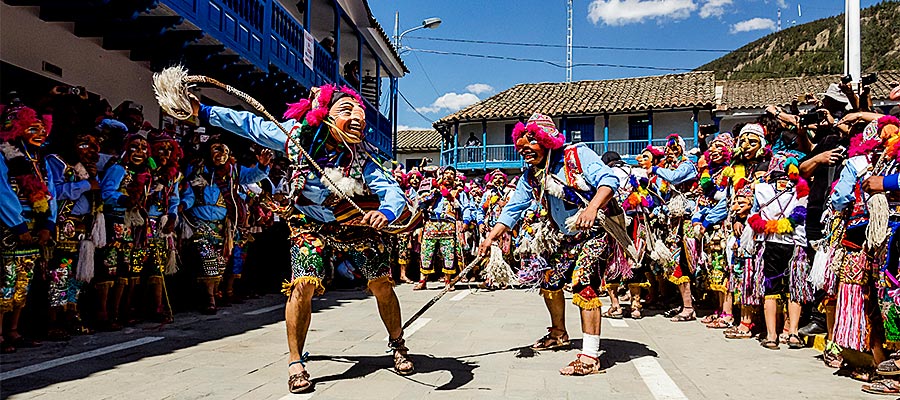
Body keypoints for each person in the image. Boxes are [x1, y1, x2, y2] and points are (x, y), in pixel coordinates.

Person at [186, 83, 413, 393]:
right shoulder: (298, 138)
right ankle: (296, 363)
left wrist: (385, 213)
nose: (358, 115)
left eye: (360, 110)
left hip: (352, 223)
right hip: (307, 221)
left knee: (380, 284)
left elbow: (391, 191)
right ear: (324, 114)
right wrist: (205, 112)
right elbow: (252, 125)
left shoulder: (363, 157)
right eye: (347, 109)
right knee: (302, 285)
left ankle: (397, 343)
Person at [479, 113, 619, 376]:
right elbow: (514, 207)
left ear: (546, 141)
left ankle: (590, 355)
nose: (524, 152)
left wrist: (591, 208)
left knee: (583, 283)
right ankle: (558, 333)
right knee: (549, 281)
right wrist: (491, 236)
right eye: (520, 148)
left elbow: (609, 181)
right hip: (564, 237)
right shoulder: (530, 175)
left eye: (530, 145)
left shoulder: (576, 155)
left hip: (596, 230)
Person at [181, 140, 270, 315]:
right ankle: (210, 299)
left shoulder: (233, 170)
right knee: (208, 260)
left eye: (225, 150)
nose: (221, 153)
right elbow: (188, 191)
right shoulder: (196, 168)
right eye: (217, 149)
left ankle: (214, 293)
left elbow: (252, 176)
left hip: (224, 225)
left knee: (221, 262)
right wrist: (184, 204)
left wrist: (262, 165)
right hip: (200, 222)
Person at [0, 105, 57, 353]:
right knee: (6, 280)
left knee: (24, 280)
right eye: (32, 129)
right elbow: (1, 192)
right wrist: (18, 225)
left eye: (42, 130)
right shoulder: (3, 155)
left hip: (34, 227)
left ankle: (14, 330)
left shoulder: (40, 161)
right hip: (8, 228)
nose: (39, 134)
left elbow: (50, 194)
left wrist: (47, 224)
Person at [46, 132, 103, 339]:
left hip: (82, 228)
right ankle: (54, 320)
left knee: (77, 276)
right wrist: (86, 185)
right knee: (59, 273)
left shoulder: (86, 168)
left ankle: (72, 313)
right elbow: (54, 192)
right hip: (63, 226)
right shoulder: (55, 162)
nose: (91, 150)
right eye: (84, 144)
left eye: (94, 145)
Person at [647, 134, 698, 322]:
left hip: (686, 221)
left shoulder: (687, 165)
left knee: (686, 263)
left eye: (675, 148)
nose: (671, 151)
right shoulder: (666, 169)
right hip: (672, 222)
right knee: (675, 264)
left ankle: (689, 306)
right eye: (668, 148)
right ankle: (685, 304)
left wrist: (654, 169)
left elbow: (674, 178)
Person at [416, 166, 465, 291]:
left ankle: (448, 281)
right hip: (431, 224)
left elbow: (464, 207)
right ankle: (422, 281)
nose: (448, 176)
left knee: (449, 254)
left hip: (448, 226)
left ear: (455, 178)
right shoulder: (432, 188)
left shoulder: (459, 192)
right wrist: (434, 192)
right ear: (441, 175)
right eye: (446, 173)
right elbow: (420, 202)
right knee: (426, 253)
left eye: (451, 174)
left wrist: (465, 222)